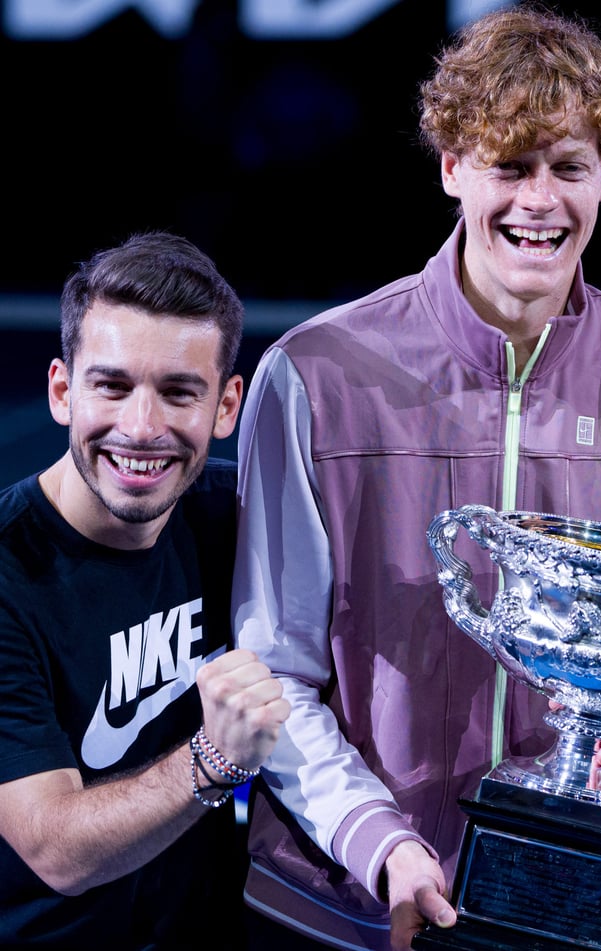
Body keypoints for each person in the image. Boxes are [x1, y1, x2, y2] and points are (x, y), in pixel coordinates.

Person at [232, 5, 601, 950]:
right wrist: (383, 844)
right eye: (511, 165)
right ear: (453, 168)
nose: (538, 200)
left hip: (558, 910)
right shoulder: (317, 376)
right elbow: (275, 675)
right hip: (341, 907)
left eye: (569, 167)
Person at [0, 231, 291, 949]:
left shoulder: (239, 519)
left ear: (225, 408)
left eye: (177, 392)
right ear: (62, 390)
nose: (141, 427)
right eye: (113, 384)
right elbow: (55, 847)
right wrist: (214, 761)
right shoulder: (8, 573)